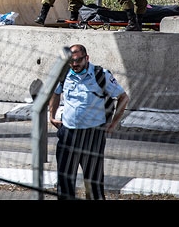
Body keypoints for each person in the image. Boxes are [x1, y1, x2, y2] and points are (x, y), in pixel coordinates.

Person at [48, 44, 129, 200]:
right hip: (68, 134)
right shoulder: (64, 74)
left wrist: (113, 124)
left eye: (78, 60)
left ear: (87, 58)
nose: (75, 65)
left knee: (93, 182)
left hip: (92, 136)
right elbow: (56, 93)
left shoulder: (100, 75)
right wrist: (52, 115)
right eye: (72, 61)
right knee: (65, 181)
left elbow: (123, 97)